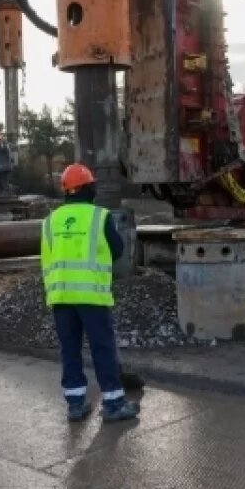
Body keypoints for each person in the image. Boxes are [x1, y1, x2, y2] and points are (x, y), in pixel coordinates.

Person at [40, 164, 140, 422]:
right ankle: (114, 405)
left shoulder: (50, 220)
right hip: (91, 296)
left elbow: (46, 258)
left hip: (61, 297)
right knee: (102, 348)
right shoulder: (100, 216)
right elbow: (118, 250)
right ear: (88, 188)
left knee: (69, 350)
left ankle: (75, 405)